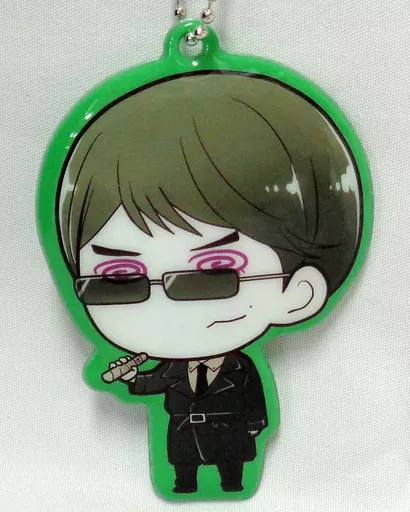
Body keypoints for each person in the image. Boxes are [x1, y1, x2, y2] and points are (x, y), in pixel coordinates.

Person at [57, 72, 363, 493]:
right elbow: (149, 384)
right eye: (119, 279)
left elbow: (254, 403)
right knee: (183, 480)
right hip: (183, 439)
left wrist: (254, 427)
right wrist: (125, 377)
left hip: (229, 438)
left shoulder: (241, 368)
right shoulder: (170, 367)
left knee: (231, 478)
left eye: (215, 271)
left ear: (298, 293)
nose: (167, 301)